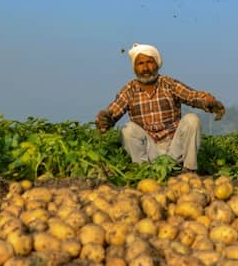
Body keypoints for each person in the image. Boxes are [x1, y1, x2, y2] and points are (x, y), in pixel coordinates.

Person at [95, 43, 226, 173]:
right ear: (134, 68)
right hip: (149, 150)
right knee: (128, 129)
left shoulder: (168, 84)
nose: (145, 68)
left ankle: (189, 170)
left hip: (174, 148)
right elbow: (113, 111)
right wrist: (104, 119)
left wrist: (208, 102)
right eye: (140, 64)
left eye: (149, 62)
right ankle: (144, 171)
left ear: (157, 64)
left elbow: (192, 96)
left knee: (192, 119)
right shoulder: (129, 90)